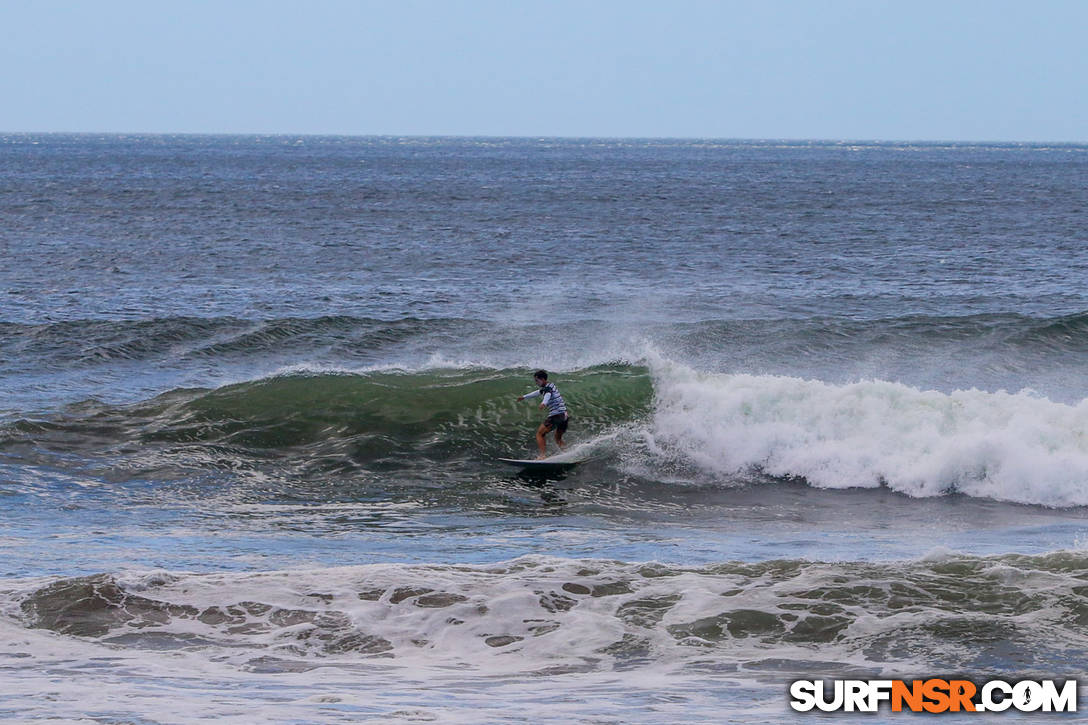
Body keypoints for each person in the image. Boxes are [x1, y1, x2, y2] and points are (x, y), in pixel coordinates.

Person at [516, 370, 569, 459]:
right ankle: (568, 454)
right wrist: (524, 397)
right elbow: (537, 392)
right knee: (558, 438)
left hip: (556, 416)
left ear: (543, 379)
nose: (536, 383)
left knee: (539, 434)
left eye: (537, 380)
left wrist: (544, 403)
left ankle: (542, 456)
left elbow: (547, 394)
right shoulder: (550, 385)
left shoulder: (548, 389)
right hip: (564, 416)